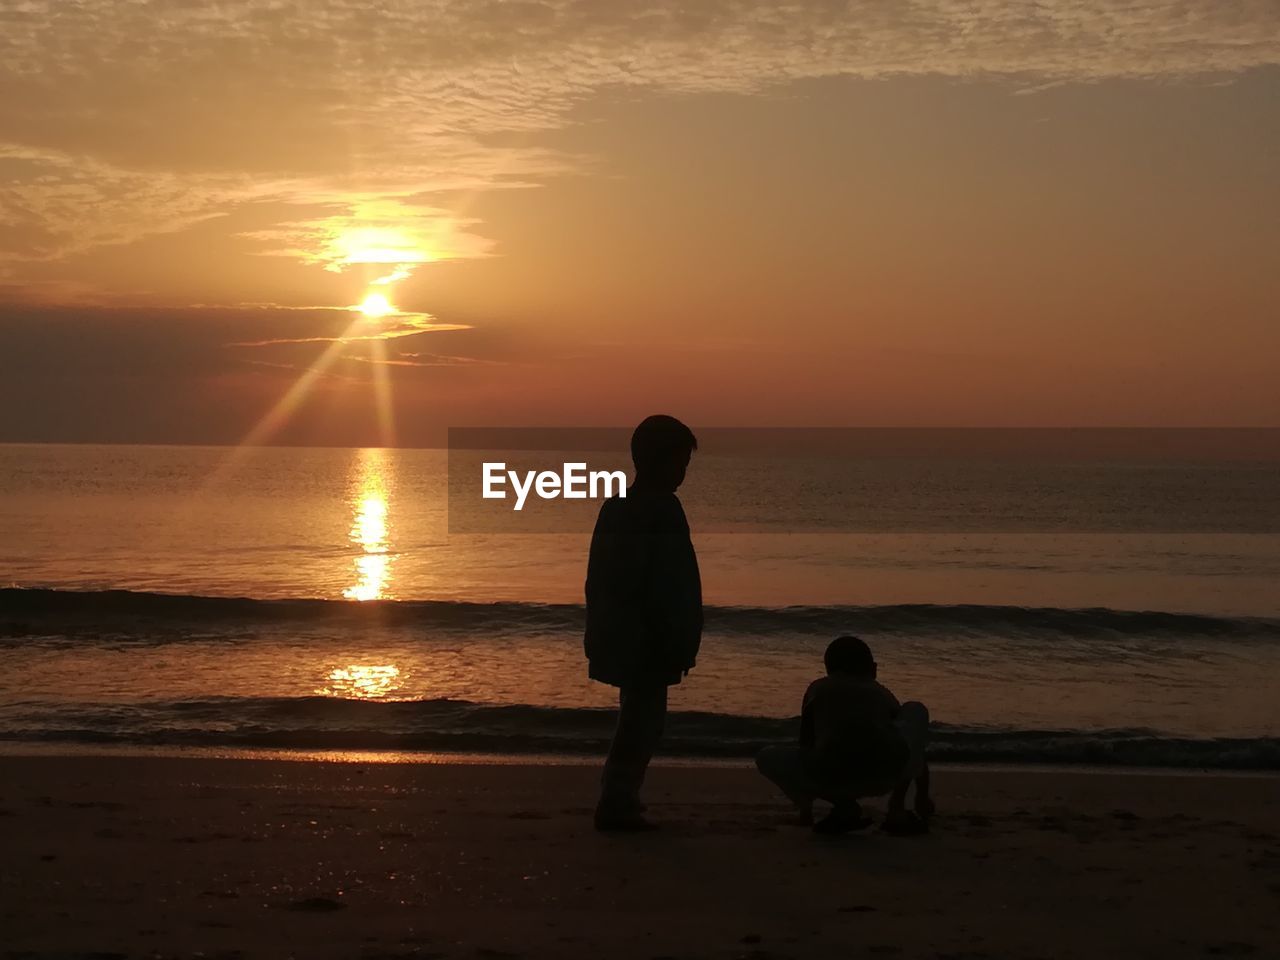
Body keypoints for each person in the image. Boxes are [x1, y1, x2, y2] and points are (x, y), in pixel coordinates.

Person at [585, 414, 702, 831]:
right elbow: (664, 581)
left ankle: (621, 797)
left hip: (632, 633)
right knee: (643, 722)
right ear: (656, 461)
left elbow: (599, 580)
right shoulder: (659, 510)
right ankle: (618, 799)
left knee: (639, 718)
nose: (682, 473)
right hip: (648, 635)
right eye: (679, 463)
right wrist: (675, 634)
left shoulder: (619, 507)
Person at [756, 635, 933, 835]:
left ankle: (843, 806)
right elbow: (911, 746)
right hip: (882, 776)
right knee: (915, 710)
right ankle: (896, 808)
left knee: (766, 756)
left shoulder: (818, 688)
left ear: (828, 669)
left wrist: (806, 813)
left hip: (830, 780)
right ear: (872, 668)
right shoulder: (881, 693)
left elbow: (806, 743)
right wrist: (922, 795)